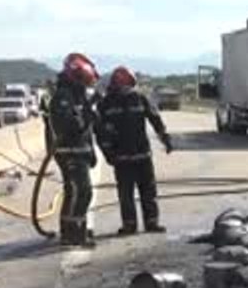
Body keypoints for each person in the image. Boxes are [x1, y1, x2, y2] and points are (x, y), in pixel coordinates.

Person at [95, 66, 173, 235]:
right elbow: (100, 132)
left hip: (142, 156)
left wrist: (165, 138)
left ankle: (151, 223)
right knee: (126, 194)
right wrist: (108, 153)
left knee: (148, 191)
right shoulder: (105, 104)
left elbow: (155, 119)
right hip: (122, 159)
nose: (126, 88)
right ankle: (129, 225)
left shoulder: (139, 98)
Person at [46, 52, 100, 248]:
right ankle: (74, 234)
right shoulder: (63, 97)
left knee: (74, 192)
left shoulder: (77, 95)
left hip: (79, 151)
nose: (86, 86)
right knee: (82, 191)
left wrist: (90, 151)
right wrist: (88, 112)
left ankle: (74, 231)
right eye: (84, 82)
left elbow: (86, 129)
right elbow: (70, 127)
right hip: (69, 152)